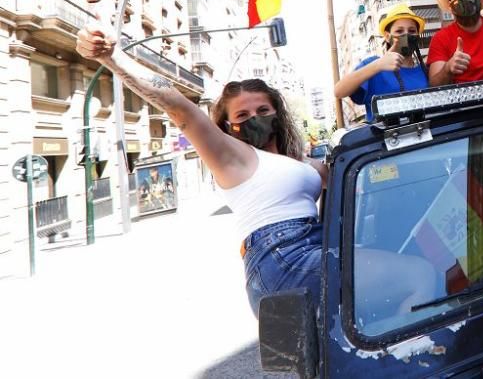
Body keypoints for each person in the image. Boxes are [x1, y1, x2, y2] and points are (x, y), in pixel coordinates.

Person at [75, 25, 435, 318]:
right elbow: (178, 106)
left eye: (262, 110)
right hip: (283, 256)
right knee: (420, 275)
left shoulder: (296, 162)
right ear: (228, 127)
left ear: (276, 112)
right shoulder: (235, 157)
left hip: (315, 245)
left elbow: (346, 178)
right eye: (242, 116)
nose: (254, 119)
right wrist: (112, 57)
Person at [334, 3, 429, 122]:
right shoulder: (374, 65)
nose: (406, 35)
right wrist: (378, 65)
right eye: (399, 31)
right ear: (388, 36)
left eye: (412, 31)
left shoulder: (425, 71)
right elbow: (339, 91)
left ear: (417, 35)